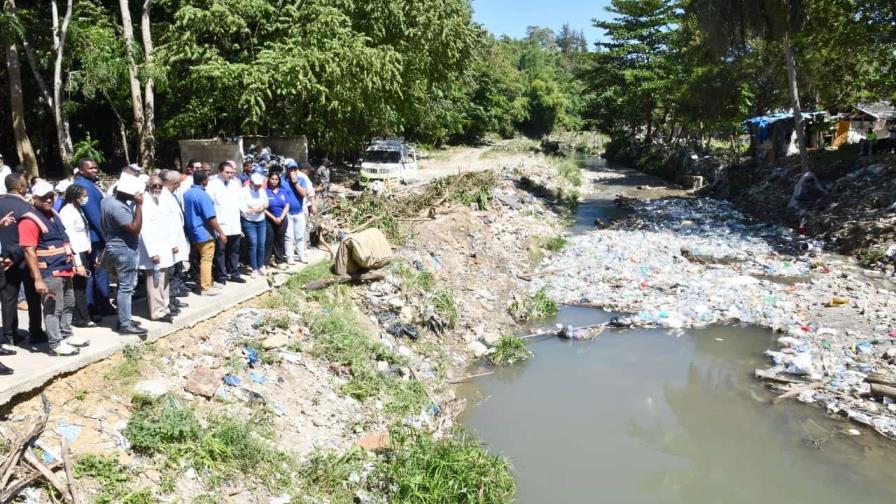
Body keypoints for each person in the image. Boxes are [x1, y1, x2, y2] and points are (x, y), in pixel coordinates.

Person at [20, 181, 89, 356]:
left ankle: (66, 334)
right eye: (44, 197)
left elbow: (64, 240)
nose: (49, 200)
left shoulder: (54, 214)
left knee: (68, 304)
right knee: (53, 309)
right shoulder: (29, 220)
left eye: (51, 196)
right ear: (34, 198)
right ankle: (55, 343)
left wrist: (75, 263)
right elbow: (29, 251)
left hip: (64, 269)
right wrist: (38, 279)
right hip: (49, 273)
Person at [101, 172, 148, 336]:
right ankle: (125, 324)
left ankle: (124, 318)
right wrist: (139, 205)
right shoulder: (118, 207)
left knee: (124, 285)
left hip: (116, 245)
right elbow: (135, 228)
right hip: (123, 249)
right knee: (126, 287)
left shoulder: (107, 200)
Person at [0, 173, 44, 346]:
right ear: (20, 188)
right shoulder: (26, 208)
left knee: (8, 297)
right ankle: (36, 332)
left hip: (4, 258)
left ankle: (9, 334)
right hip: (25, 257)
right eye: (26, 185)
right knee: (33, 296)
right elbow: (29, 237)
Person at [73, 157, 115, 319]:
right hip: (95, 237)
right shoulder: (83, 186)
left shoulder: (89, 184)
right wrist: (107, 236)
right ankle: (100, 306)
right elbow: (93, 214)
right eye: (90, 168)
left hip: (95, 236)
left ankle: (95, 305)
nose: (95, 170)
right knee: (99, 271)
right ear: (81, 170)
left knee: (94, 272)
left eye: (96, 168)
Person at [138, 176, 176, 322]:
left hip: (164, 247)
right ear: (148, 186)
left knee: (164, 279)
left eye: (160, 185)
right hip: (153, 250)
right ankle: (157, 312)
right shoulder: (145, 202)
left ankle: (164, 307)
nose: (158, 188)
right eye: (154, 185)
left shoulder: (160, 200)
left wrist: (173, 244)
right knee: (155, 281)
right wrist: (152, 253)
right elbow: (144, 229)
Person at [183, 170, 226, 296]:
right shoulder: (203, 195)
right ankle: (206, 287)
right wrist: (221, 232)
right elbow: (210, 217)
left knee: (200, 259)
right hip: (204, 232)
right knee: (206, 260)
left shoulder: (187, 193)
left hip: (192, 231)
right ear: (204, 181)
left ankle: (208, 282)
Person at [59, 184, 95, 328]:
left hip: (84, 250)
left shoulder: (78, 209)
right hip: (76, 253)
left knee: (82, 285)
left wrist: (89, 247)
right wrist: (77, 262)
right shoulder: (67, 212)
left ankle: (82, 315)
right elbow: (70, 237)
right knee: (78, 287)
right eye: (83, 195)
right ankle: (81, 318)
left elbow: (83, 231)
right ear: (75, 196)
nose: (85, 198)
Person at [207, 161, 244, 284]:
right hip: (221, 224)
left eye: (231, 172)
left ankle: (234, 273)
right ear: (220, 172)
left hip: (234, 223)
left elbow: (240, 202)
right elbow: (210, 206)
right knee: (220, 252)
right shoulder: (212, 185)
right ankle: (221, 276)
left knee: (234, 250)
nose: (230, 175)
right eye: (227, 172)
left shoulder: (236, 184)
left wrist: (247, 212)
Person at [159, 170, 190, 314]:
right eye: (177, 184)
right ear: (173, 183)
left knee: (176, 271)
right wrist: (172, 244)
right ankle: (169, 303)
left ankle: (173, 299)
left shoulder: (169, 195)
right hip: (170, 244)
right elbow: (164, 223)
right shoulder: (162, 197)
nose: (178, 186)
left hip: (176, 241)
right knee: (169, 274)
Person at [240, 173, 269, 277]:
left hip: (261, 220)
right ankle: (254, 268)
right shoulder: (243, 191)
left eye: (259, 185)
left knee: (261, 244)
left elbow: (266, 202)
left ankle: (261, 265)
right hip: (249, 221)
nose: (257, 187)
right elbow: (244, 210)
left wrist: (263, 207)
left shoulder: (262, 191)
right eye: (256, 185)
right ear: (251, 183)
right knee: (253, 244)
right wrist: (255, 210)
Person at [283, 159, 309, 264]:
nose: (293, 171)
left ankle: (301, 255)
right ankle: (289, 256)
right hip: (287, 213)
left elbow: (303, 194)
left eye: (294, 168)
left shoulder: (302, 179)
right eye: (290, 169)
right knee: (288, 236)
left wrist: (295, 182)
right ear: (287, 169)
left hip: (299, 212)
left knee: (300, 235)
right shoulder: (282, 180)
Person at [264, 170, 290, 267]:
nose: (274, 181)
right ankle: (265, 262)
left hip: (282, 219)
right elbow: (263, 208)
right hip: (269, 220)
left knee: (280, 240)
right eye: (272, 179)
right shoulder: (265, 192)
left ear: (279, 180)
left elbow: (287, 205)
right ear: (269, 179)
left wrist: (281, 217)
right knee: (269, 240)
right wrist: (274, 218)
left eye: (276, 179)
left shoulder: (282, 191)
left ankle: (279, 261)